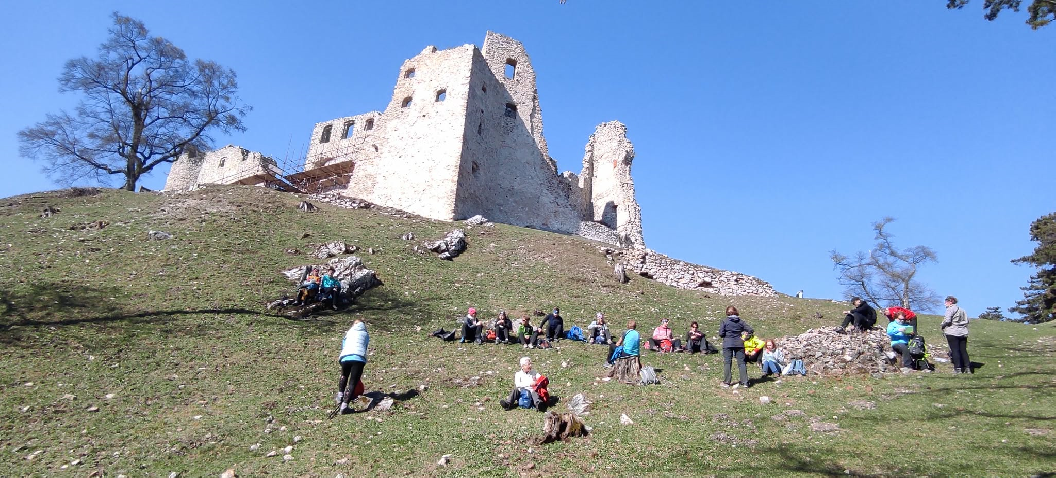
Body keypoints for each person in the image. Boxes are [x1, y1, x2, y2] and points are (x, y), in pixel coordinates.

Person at [336, 319, 369, 414]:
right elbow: (365, 346)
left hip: (345, 357)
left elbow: (343, 345)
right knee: (352, 382)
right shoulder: (365, 334)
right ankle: (344, 406)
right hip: (358, 358)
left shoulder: (349, 333)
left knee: (344, 375)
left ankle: (340, 396)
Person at [718, 305, 753, 388]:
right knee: (741, 362)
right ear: (736, 312)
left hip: (728, 343)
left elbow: (721, 333)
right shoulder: (741, 321)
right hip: (739, 343)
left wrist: (726, 336)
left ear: (727, 312)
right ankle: (745, 382)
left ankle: (727, 382)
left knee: (727, 362)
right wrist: (746, 338)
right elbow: (750, 330)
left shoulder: (724, 321)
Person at [941, 296, 971, 374]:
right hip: (963, 332)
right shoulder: (962, 310)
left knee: (955, 350)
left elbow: (948, 321)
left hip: (952, 332)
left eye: (946, 301)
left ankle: (957, 368)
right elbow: (967, 321)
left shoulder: (950, 309)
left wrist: (943, 326)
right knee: (963, 350)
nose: (945, 303)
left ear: (950, 301)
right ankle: (967, 368)